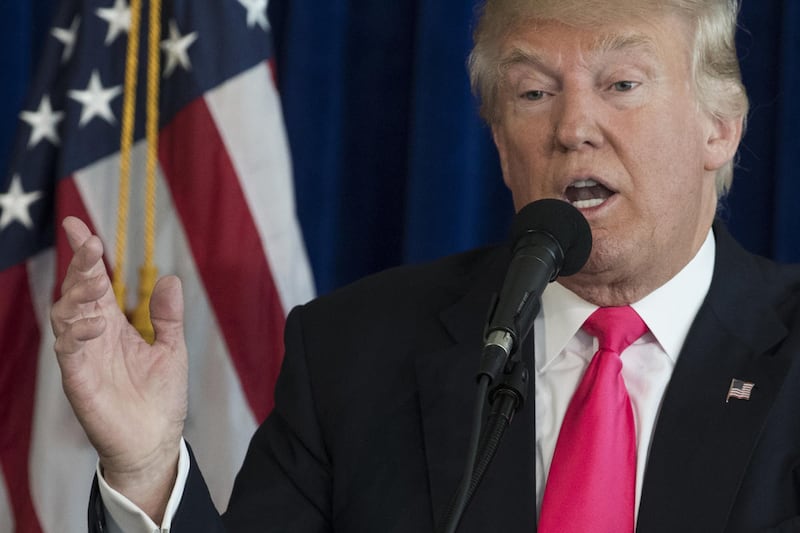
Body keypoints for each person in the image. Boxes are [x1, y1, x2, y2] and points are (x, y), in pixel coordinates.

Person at [51, 0, 800, 531]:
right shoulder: (354, 352)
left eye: (622, 85)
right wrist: (147, 470)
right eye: (534, 92)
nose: (572, 127)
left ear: (721, 127)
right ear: (503, 146)